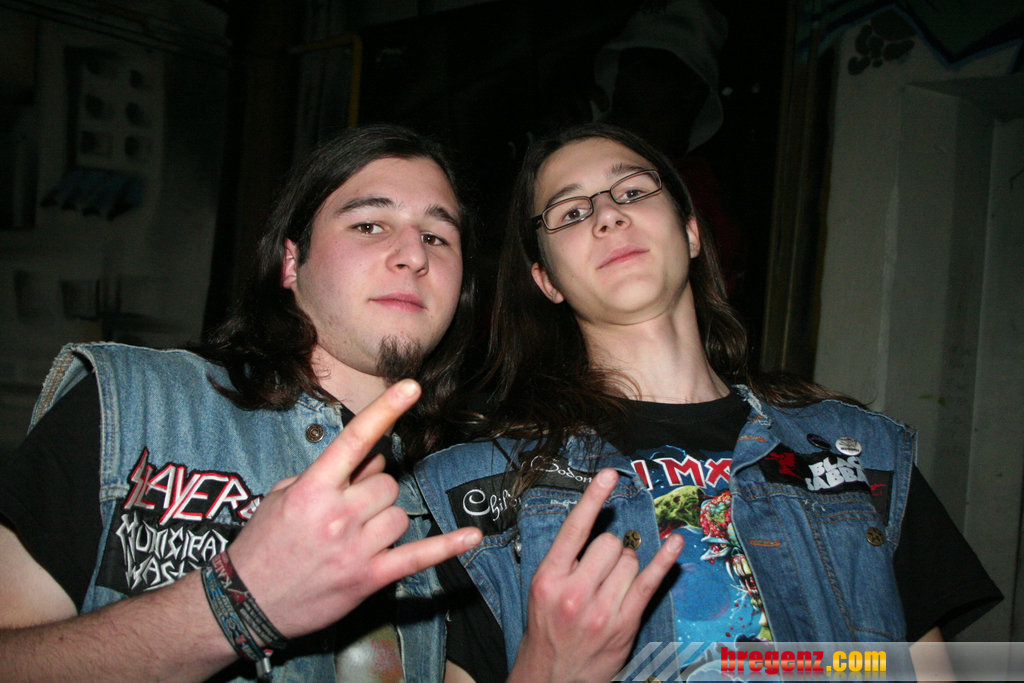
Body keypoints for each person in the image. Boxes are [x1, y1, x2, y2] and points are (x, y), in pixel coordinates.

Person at [408, 123, 1002, 683]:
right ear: (547, 281)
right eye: (571, 213)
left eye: (632, 191)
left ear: (691, 231)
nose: (608, 215)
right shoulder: (474, 489)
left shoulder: (861, 453)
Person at [0, 124, 486, 683]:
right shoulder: (133, 403)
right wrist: (236, 605)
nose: (413, 255)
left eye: (437, 237)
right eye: (369, 225)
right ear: (291, 262)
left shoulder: (467, 494)